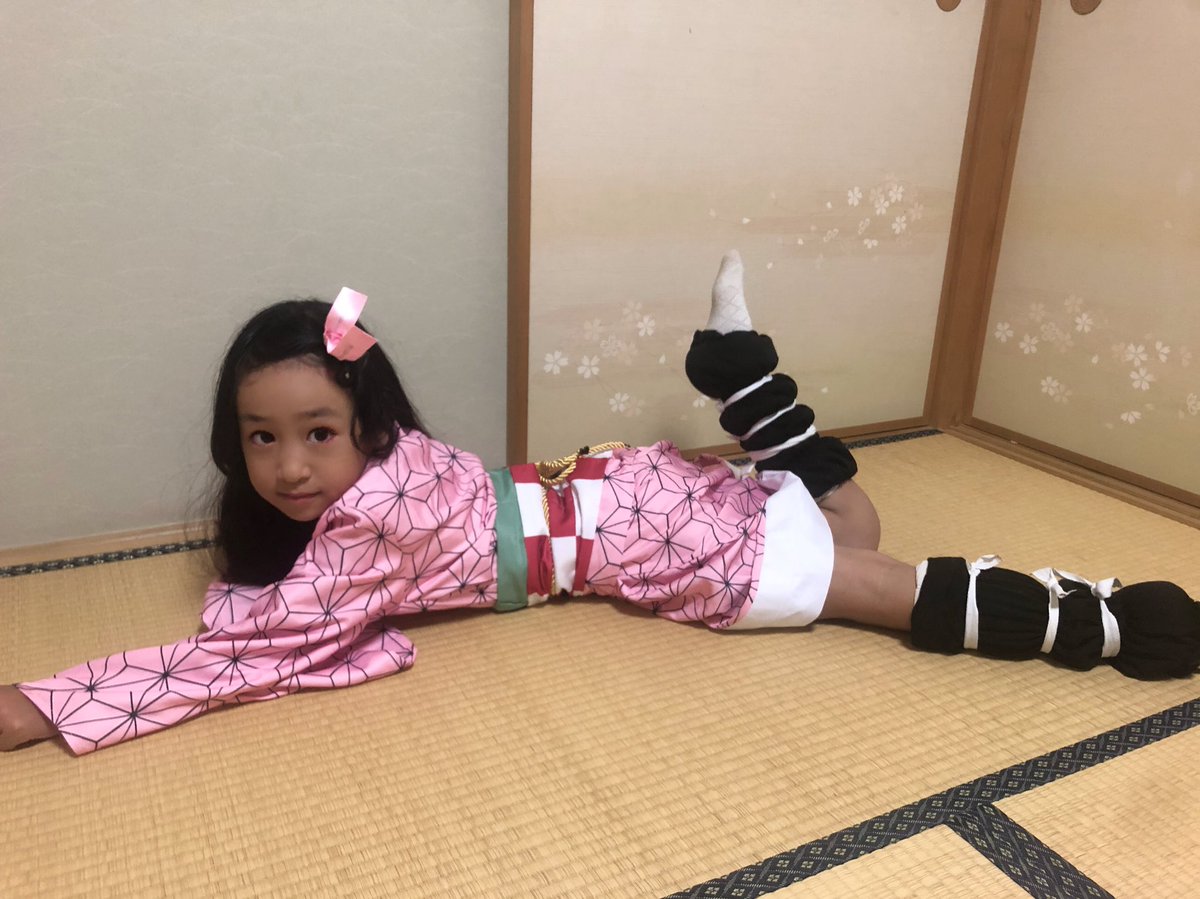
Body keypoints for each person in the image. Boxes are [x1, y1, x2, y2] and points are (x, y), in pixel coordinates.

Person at [2, 261, 1197, 755]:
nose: (288, 466)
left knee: (868, 582)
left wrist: (46, 704)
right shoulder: (401, 463)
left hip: (641, 533)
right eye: (262, 436)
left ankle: (1097, 624)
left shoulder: (374, 515)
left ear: (368, 419)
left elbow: (242, 659)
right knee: (852, 533)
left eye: (318, 432)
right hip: (610, 488)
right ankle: (748, 385)